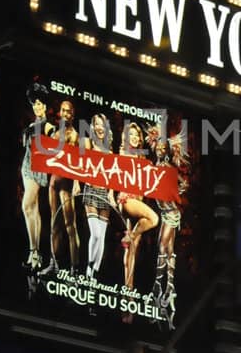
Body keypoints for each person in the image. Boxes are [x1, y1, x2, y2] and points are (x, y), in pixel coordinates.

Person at [115, 120, 158, 292]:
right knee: (154, 219)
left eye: (136, 135)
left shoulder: (142, 158)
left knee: (133, 250)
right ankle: (130, 235)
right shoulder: (124, 153)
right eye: (130, 135)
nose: (133, 138)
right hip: (127, 199)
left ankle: (129, 289)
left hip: (138, 202)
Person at [149, 130, 187, 320]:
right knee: (168, 248)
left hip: (171, 212)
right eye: (159, 147)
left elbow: (183, 183)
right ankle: (169, 284)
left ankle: (158, 284)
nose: (160, 150)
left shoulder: (167, 167)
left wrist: (175, 192)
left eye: (164, 148)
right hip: (164, 213)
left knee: (162, 246)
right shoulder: (155, 165)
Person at [42, 97, 81, 278]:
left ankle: (74, 268)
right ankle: (54, 263)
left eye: (68, 110)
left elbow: (76, 163)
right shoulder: (55, 133)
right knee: (54, 224)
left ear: (72, 114)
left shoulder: (73, 135)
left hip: (66, 184)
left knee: (70, 226)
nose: (65, 113)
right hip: (53, 183)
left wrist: (76, 184)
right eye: (63, 110)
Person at [21, 83, 55, 273]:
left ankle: (35, 251)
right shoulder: (30, 125)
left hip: (37, 168)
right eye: (35, 103)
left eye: (40, 104)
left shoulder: (48, 126)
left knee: (27, 205)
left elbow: (55, 143)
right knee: (31, 209)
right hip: (26, 166)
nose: (37, 107)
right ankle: (34, 253)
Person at [79, 108, 115, 279]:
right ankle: (88, 267)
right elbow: (77, 164)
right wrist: (75, 184)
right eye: (97, 125)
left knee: (102, 237)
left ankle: (94, 275)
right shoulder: (87, 143)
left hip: (105, 195)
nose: (100, 128)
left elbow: (114, 177)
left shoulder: (110, 151)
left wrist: (112, 195)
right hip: (91, 191)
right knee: (96, 234)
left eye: (103, 125)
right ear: (93, 127)